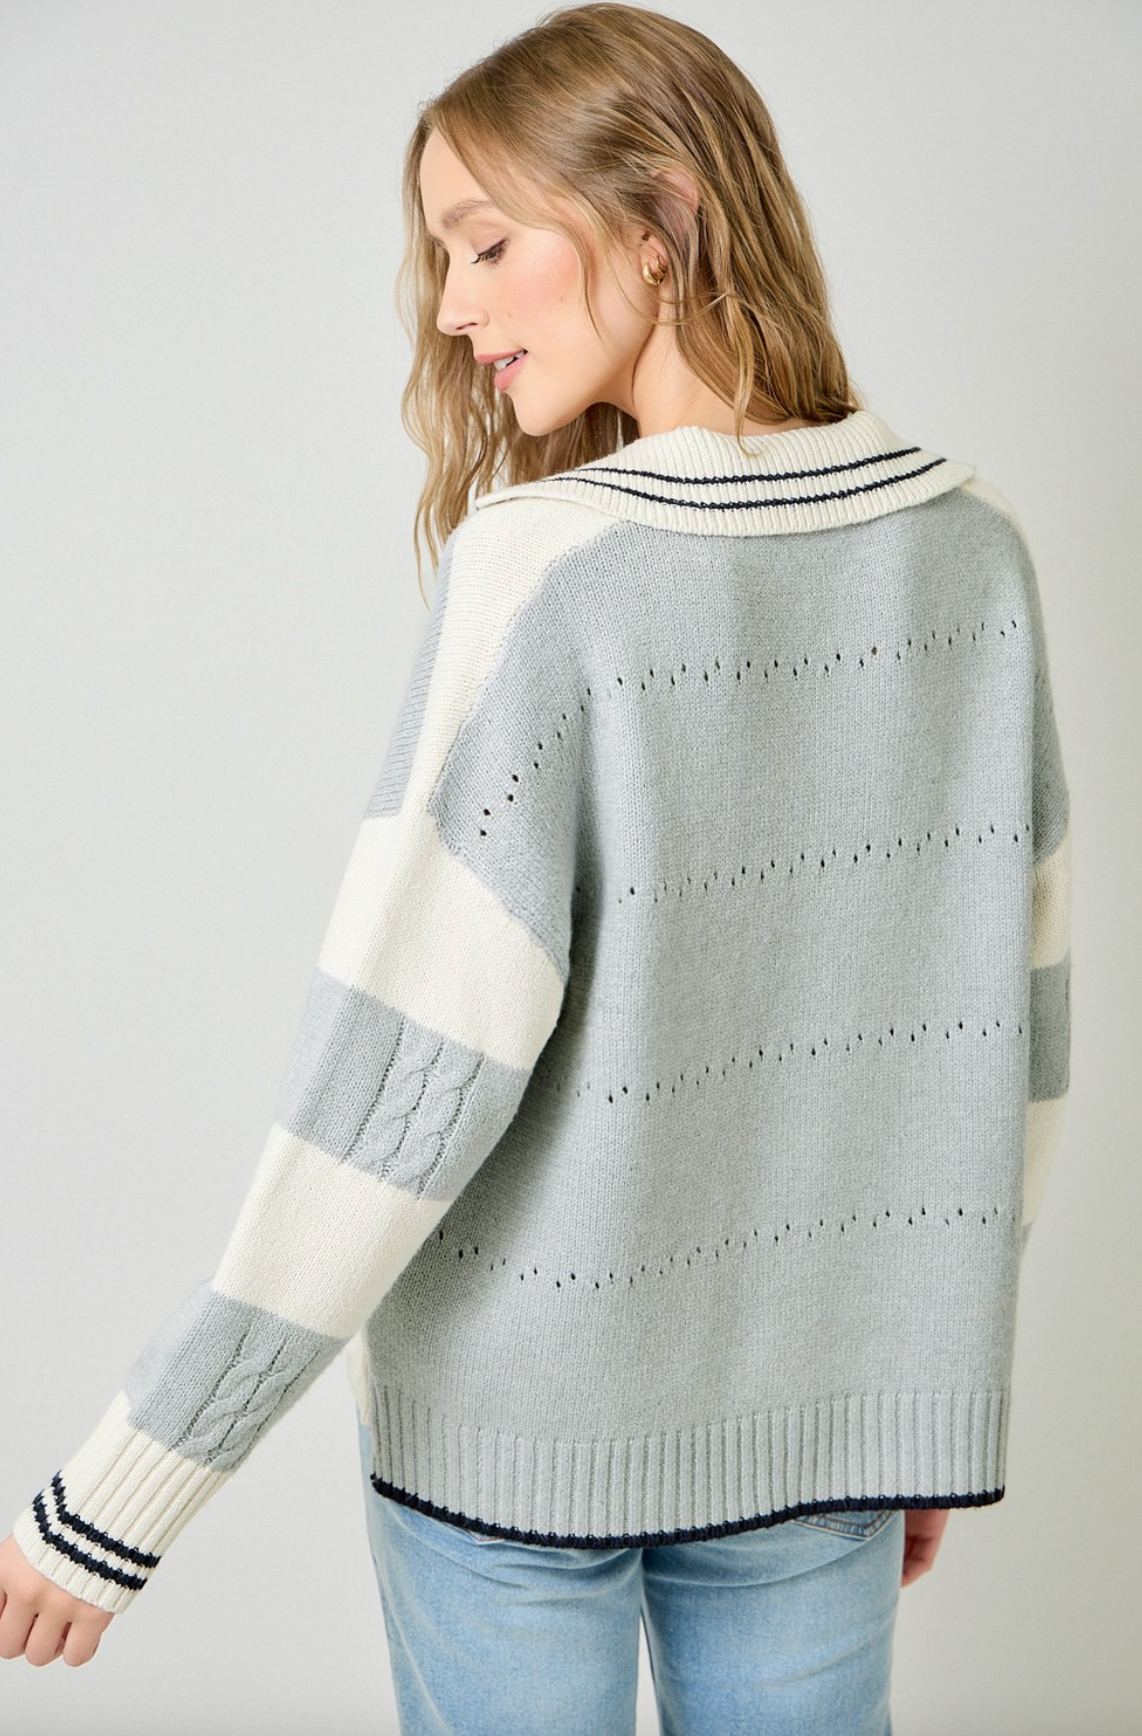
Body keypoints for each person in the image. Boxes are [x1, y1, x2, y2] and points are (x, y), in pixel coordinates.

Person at [0, 5, 1071, 1731]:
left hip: (517, 1438)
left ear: (662, 219)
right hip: (829, 1420)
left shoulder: (545, 569)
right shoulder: (974, 549)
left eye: (487, 242)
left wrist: (127, 1489)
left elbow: (397, 1079)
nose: (451, 306)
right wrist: (910, 1394)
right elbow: (1011, 1035)